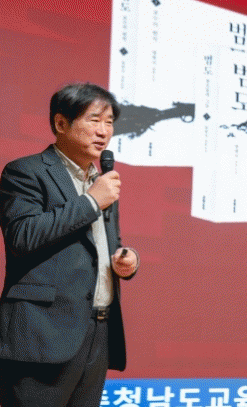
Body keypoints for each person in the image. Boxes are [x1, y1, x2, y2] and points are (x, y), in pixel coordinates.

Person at [0, 83, 139, 407]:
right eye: (94, 120)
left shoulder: (101, 181)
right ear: (61, 123)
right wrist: (91, 201)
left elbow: (104, 245)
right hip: (42, 334)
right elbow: (22, 236)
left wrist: (126, 260)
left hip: (97, 331)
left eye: (109, 122)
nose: (103, 131)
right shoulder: (26, 172)